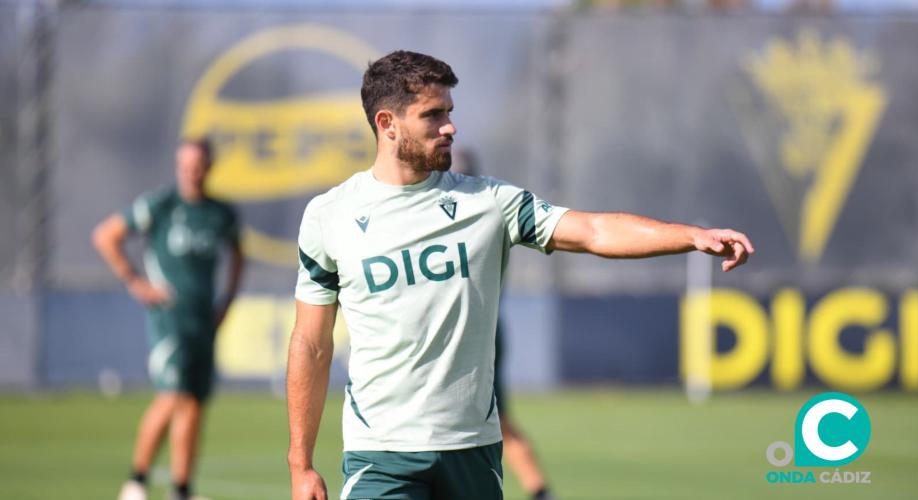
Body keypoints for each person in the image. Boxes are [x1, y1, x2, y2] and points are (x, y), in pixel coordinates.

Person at [287, 50, 754, 500]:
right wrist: (301, 463)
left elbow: (592, 231)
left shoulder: (490, 202)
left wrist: (691, 236)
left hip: (473, 449)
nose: (450, 126)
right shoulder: (330, 216)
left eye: (450, 111)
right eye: (433, 115)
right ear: (386, 124)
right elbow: (311, 343)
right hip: (380, 453)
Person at [93, 138, 244, 500]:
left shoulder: (220, 213)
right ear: (178, 166)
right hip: (169, 320)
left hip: (203, 321)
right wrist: (135, 282)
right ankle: (136, 481)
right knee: (171, 396)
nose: (192, 171)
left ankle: (180, 489)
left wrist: (227, 300)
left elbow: (238, 256)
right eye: (186, 164)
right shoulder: (162, 205)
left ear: (209, 166)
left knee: (193, 402)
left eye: (198, 164)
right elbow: (106, 235)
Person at [451, 149, 555, 500]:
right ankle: (540, 491)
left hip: (479, 334)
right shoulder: (486, 212)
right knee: (493, 417)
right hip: (489, 331)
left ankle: (539, 492)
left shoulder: (479, 216)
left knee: (490, 418)